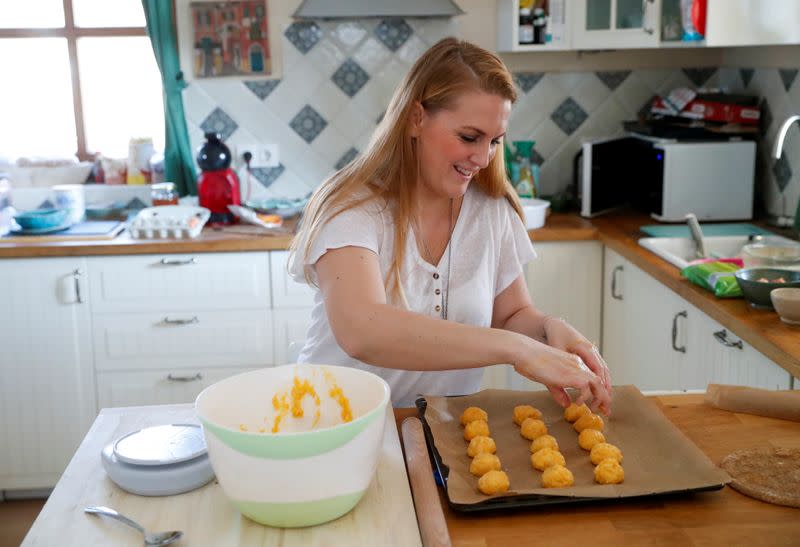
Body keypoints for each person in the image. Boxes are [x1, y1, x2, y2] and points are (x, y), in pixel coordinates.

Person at [289, 37, 611, 412]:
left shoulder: (491, 210)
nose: (483, 157)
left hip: (444, 432)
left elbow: (510, 315)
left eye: (494, 141)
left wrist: (548, 330)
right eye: (469, 137)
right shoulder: (352, 208)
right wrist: (516, 350)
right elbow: (363, 330)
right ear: (416, 118)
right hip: (339, 426)